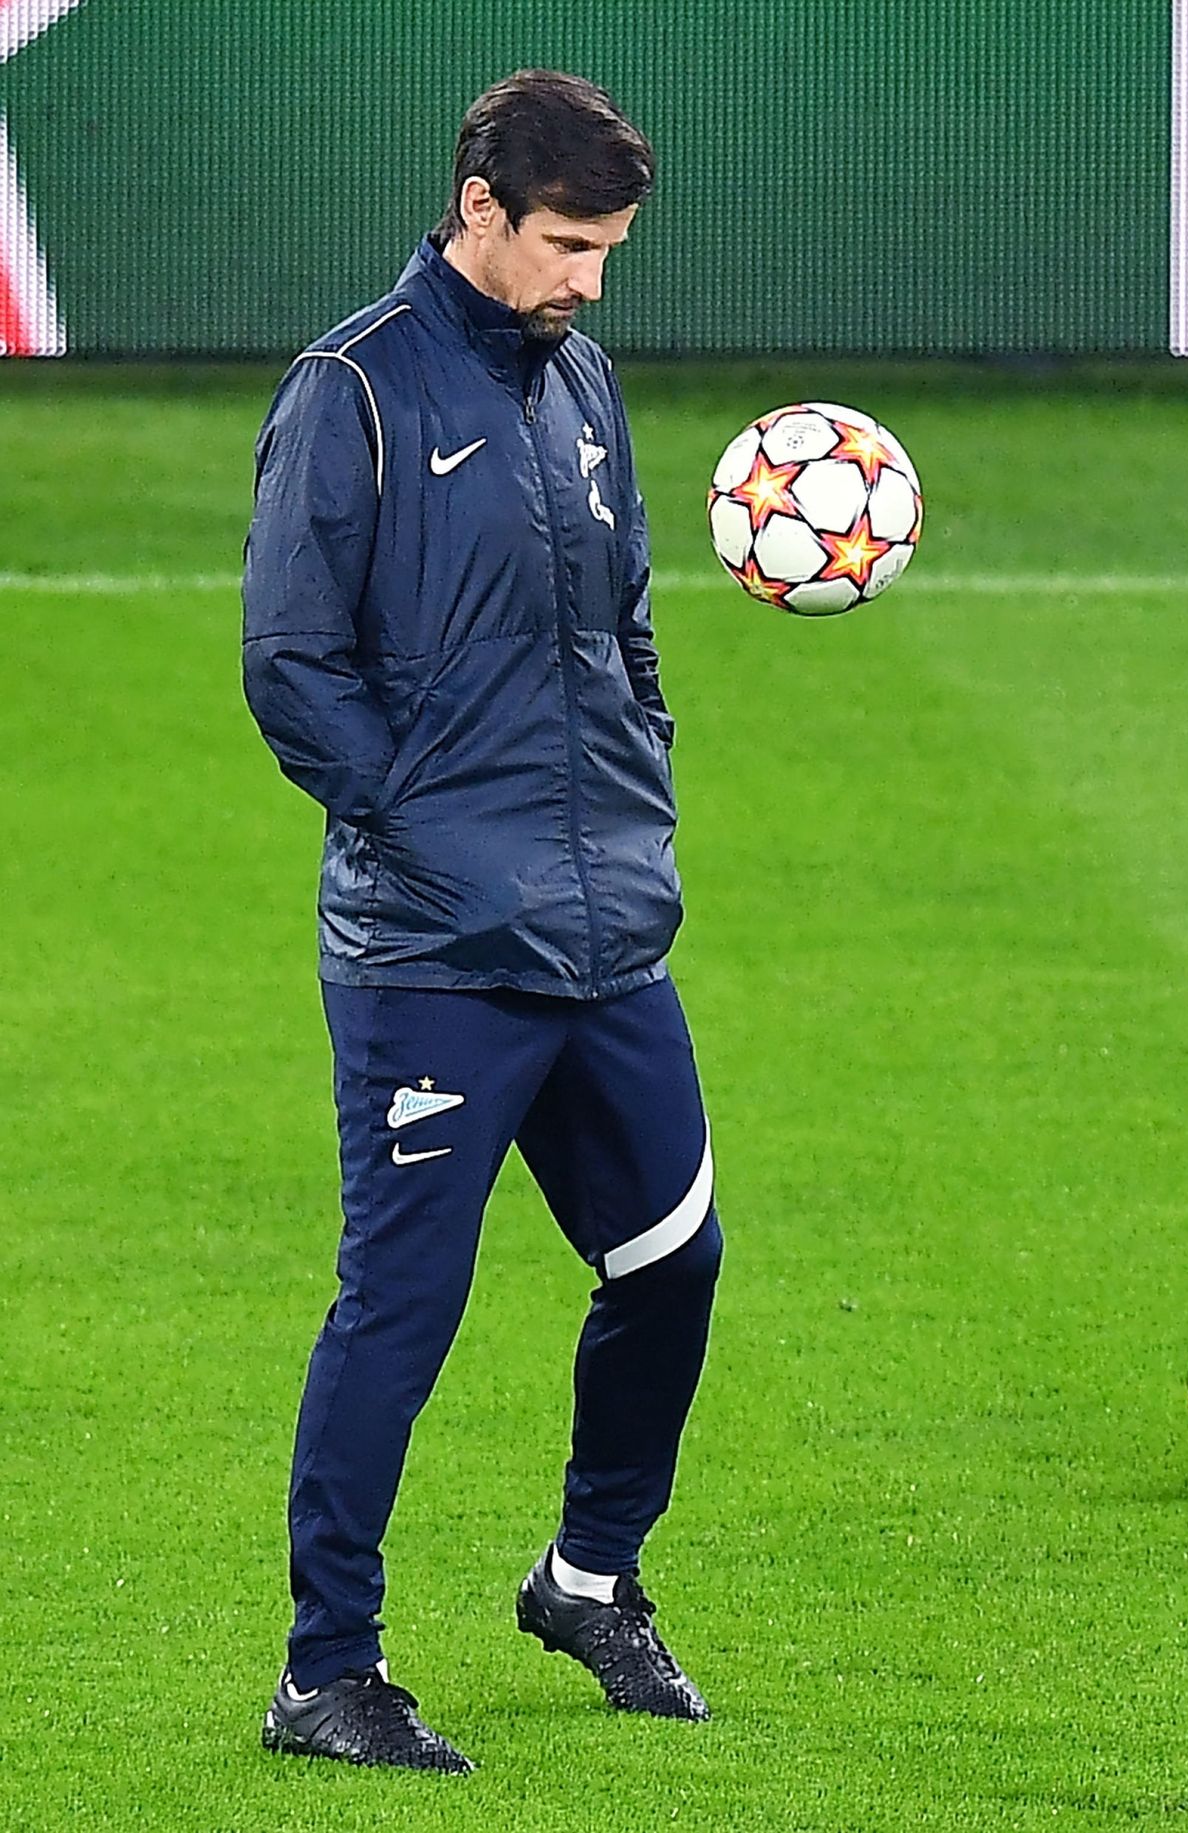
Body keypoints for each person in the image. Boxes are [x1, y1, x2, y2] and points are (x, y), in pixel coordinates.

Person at [241, 69, 721, 1775]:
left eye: (609, 249)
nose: (592, 278)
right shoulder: (352, 391)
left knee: (674, 1261)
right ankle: (327, 1672)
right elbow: (289, 666)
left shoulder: (581, 384)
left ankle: (589, 1576)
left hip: (604, 936)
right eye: (569, 243)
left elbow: (628, 627)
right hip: (436, 953)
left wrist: (639, 795)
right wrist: (426, 832)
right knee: (403, 1311)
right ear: (481, 208)